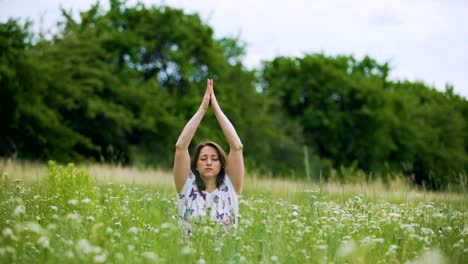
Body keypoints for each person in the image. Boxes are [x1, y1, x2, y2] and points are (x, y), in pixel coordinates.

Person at [173, 79, 244, 235]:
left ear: (221, 164)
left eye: (215, 158)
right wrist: (203, 108)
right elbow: (180, 147)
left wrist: (216, 109)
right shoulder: (186, 188)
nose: (209, 162)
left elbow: (237, 147)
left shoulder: (231, 188)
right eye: (203, 159)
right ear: (196, 165)